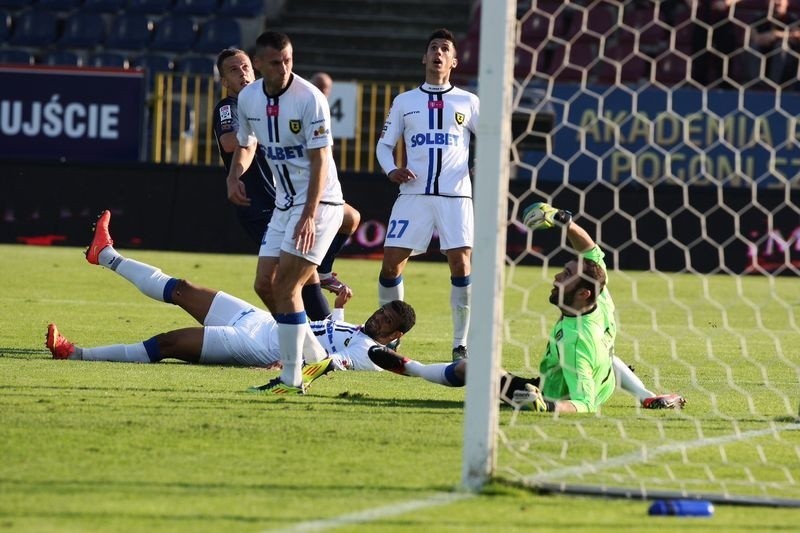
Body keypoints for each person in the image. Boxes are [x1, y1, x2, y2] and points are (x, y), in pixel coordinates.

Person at [365, 203, 687, 412]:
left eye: (565, 277)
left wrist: (545, 404)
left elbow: (584, 405)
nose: (556, 276)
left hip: (549, 394)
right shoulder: (599, 296)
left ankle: (411, 366)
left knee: (472, 370)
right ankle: (646, 394)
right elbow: (592, 252)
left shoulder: (577, 341)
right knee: (608, 356)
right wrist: (564, 220)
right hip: (596, 373)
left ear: (583, 294)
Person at [46, 210, 417, 391]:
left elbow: (331, 363)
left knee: (168, 343)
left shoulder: (372, 357)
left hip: (256, 345)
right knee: (183, 288)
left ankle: (75, 353)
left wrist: (285, 370)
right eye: (381, 311)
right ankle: (105, 254)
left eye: (385, 322)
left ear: (392, 336)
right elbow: (331, 336)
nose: (378, 318)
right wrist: (339, 307)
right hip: (260, 319)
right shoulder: (357, 329)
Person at [225, 31, 347, 394]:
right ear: (259, 64)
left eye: (288, 60)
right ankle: (317, 357)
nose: (284, 68)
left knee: (287, 286)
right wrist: (234, 175)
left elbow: (321, 159)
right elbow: (246, 144)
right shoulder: (248, 98)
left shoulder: (309, 98)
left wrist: (309, 214)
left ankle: (291, 378)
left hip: (319, 204)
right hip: (283, 206)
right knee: (264, 284)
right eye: (276, 62)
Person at [213, 48, 357, 312]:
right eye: (233, 70)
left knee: (349, 218)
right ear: (224, 82)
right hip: (260, 205)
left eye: (245, 67)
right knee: (298, 275)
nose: (243, 74)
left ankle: (324, 273)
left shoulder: (267, 103)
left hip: (288, 197)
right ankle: (318, 332)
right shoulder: (229, 107)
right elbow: (232, 142)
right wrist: (258, 130)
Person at [375, 28, 479, 362]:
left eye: (444, 48)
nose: (437, 52)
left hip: (455, 196)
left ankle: (460, 344)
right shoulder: (405, 101)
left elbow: (494, 137)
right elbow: (384, 144)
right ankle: (389, 337)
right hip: (414, 194)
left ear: (453, 61)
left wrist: (482, 167)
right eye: (433, 47)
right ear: (424, 58)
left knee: (461, 263)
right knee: (391, 264)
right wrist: (392, 169)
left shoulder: (468, 101)